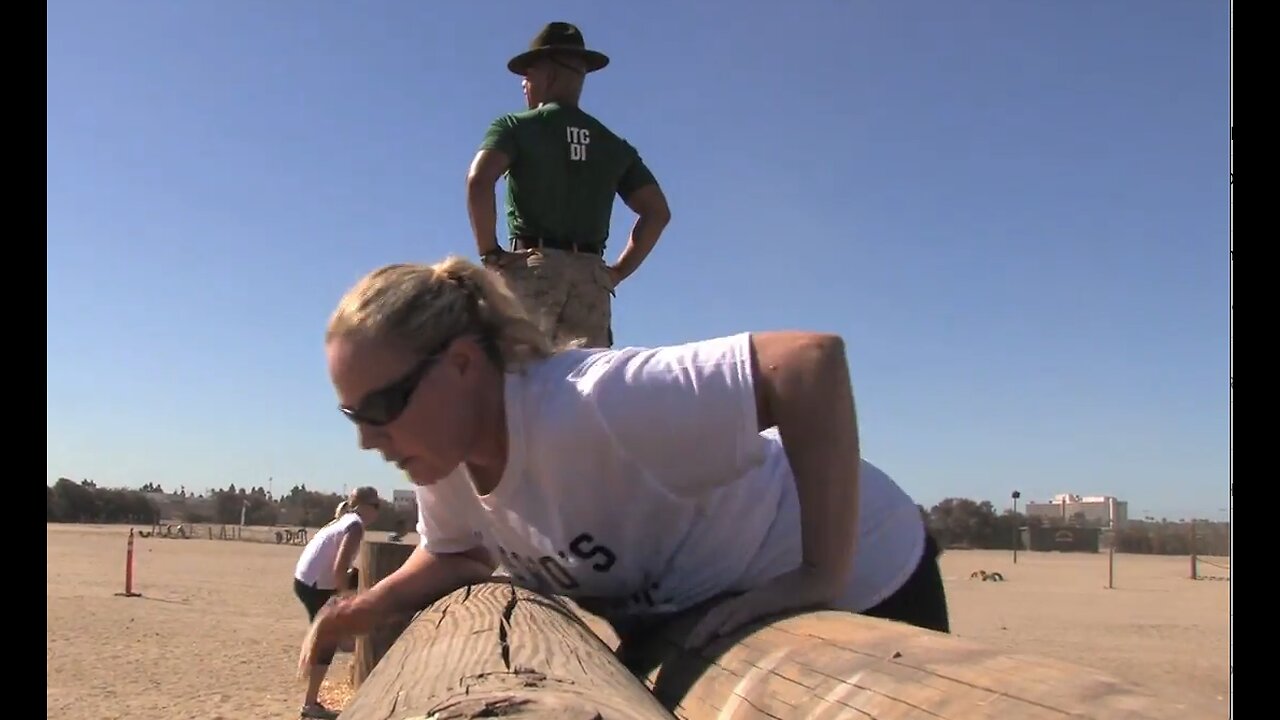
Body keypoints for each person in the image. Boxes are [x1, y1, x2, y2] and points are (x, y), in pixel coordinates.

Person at [300, 256, 948, 671]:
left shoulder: (590, 404)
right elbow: (462, 553)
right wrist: (365, 606)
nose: (370, 440)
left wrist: (817, 574)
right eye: (355, 416)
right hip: (710, 615)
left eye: (383, 405)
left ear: (463, 365)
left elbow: (808, 363)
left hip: (869, 582)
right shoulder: (443, 462)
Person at [466, 21, 671, 349]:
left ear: (547, 75)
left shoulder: (515, 127)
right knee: (585, 384)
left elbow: (479, 180)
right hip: (591, 278)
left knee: (518, 380)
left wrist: (490, 253)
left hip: (532, 269)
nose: (524, 85)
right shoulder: (612, 144)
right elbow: (657, 212)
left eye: (528, 75)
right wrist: (615, 273)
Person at [292, 486, 381, 719]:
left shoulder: (344, 520)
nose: (377, 512)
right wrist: (345, 599)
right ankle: (310, 704)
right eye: (376, 506)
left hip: (306, 580)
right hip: (315, 585)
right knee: (327, 641)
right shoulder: (355, 526)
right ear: (362, 505)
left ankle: (349, 646)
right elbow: (340, 568)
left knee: (331, 635)